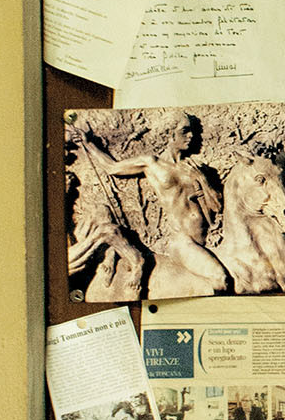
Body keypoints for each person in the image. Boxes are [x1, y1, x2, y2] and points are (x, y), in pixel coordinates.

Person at [73, 114, 229, 295]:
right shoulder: (152, 163)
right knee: (220, 279)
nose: (191, 136)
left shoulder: (194, 166)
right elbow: (112, 167)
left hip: (208, 238)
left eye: (192, 132)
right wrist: (89, 144)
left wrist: (201, 178)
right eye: (185, 131)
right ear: (170, 134)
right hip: (182, 240)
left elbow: (217, 206)